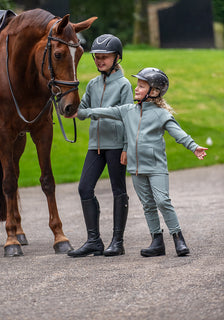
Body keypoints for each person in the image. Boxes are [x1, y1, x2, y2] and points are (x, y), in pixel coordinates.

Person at [77, 67, 208, 257]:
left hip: (156, 168)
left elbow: (178, 133)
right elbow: (106, 111)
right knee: (147, 204)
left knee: (163, 201)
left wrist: (193, 146)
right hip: (136, 169)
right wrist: (82, 112)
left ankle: (178, 238)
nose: (136, 89)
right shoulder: (128, 110)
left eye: (141, 86)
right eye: (137, 85)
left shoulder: (161, 114)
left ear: (153, 92)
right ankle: (157, 241)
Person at [67, 34, 133, 258]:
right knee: (84, 188)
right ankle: (94, 241)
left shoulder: (124, 85)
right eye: (96, 57)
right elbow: (81, 110)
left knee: (118, 190)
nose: (99, 61)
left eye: (104, 57)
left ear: (117, 58)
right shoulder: (93, 85)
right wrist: (66, 103)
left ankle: (118, 241)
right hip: (95, 145)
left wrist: (126, 147)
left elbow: (124, 114)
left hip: (116, 145)